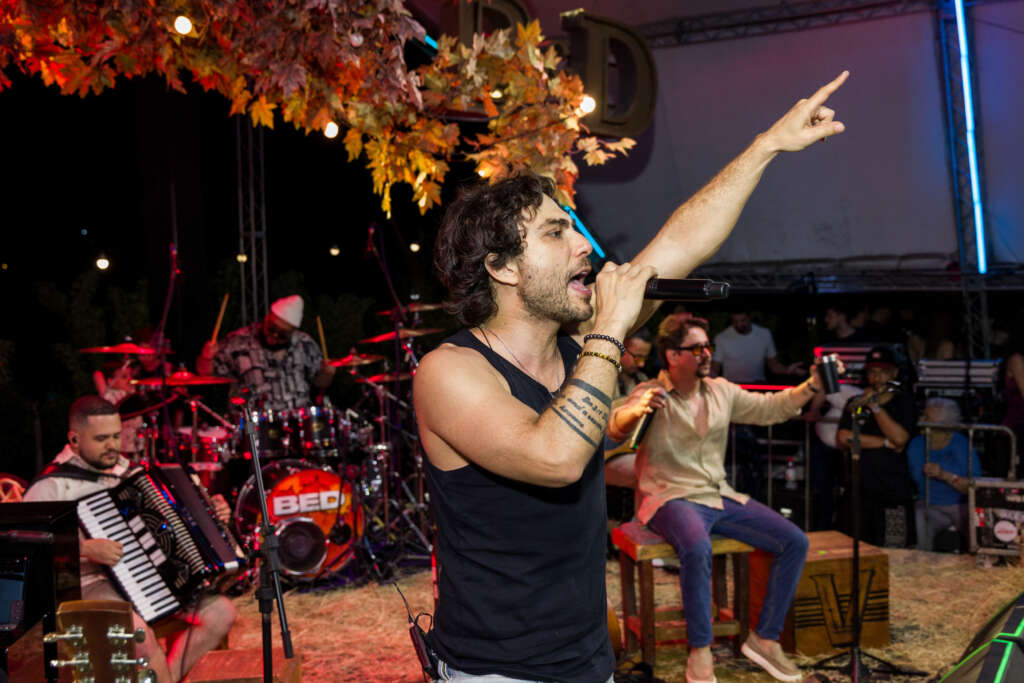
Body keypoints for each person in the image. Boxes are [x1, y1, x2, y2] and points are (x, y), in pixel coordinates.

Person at [413, 72, 848, 683]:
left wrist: (765, 147)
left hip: (589, 657)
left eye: (573, 227)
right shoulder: (449, 371)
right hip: (497, 671)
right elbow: (556, 458)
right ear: (503, 268)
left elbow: (680, 242)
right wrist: (612, 327)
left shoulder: (576, 346)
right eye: (555, 233)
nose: (583, 247)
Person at [609, 317, 826, 683]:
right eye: (697, 348)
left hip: (716, 494)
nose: (707, 354)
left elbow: (770, 407)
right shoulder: (651, 391)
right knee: (697, 547)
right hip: (669, 496)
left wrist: (811, 386)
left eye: (708, 346)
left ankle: (765, 639)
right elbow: (617, 424)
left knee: (795, 540)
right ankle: (700, 651)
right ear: (673, 355)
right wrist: (638, 409)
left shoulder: (721, 390)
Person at [22, 396, 236, 683]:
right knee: (138, 636)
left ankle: (166, 678)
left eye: (115, 436)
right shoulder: (51, 486)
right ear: (74, 440)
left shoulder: (130, 472)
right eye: (101, 439)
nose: (112, 445)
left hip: (149, 577)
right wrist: (82, 549)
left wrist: (211, 512)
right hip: (88, 584)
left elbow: (173, 521)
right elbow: (28, 549)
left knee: (221, 613)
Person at [837, 345, 917, 547]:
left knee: (895, 551)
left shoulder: (904, 402)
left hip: (893, 492)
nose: (877, 378)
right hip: (859, 490)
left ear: (894, 373)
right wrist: (884, 443)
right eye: (872, 372)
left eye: (883, 372)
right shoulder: (856, 402)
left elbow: (900, 438)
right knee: (852, 547)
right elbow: (844, 437)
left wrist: (875, 407)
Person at [197, 295, 335, 411]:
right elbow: (205, 375)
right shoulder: (238, 341)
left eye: (282, 334)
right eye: (271, 328)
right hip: (249, 425)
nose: (274, 335)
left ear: (293, 332)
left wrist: (327, 374)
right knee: (248, 432)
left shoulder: (305, 343)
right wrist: (206, 358)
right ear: (267, 317)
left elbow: (321, 383)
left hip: (297, 424)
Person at [906, 397, 979, 551]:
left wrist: (944, 475)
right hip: (930, 505)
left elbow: (974, 486)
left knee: (975, 525)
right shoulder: (916, 445)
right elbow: (917, 479)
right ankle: (923, 561)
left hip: (961, 506)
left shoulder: (962, 445)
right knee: (919, 517)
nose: (920, 420)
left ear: (943, 425)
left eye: (927, 418)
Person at [711, 311, 803, 383]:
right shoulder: (721, 338)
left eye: (743, 320)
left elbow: (774, 365)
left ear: (749, 318)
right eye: (735, 321)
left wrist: (788, 370)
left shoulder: (764, 334)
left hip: (757, 387)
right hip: (731, 388)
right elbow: (715, 369)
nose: (739, 325)